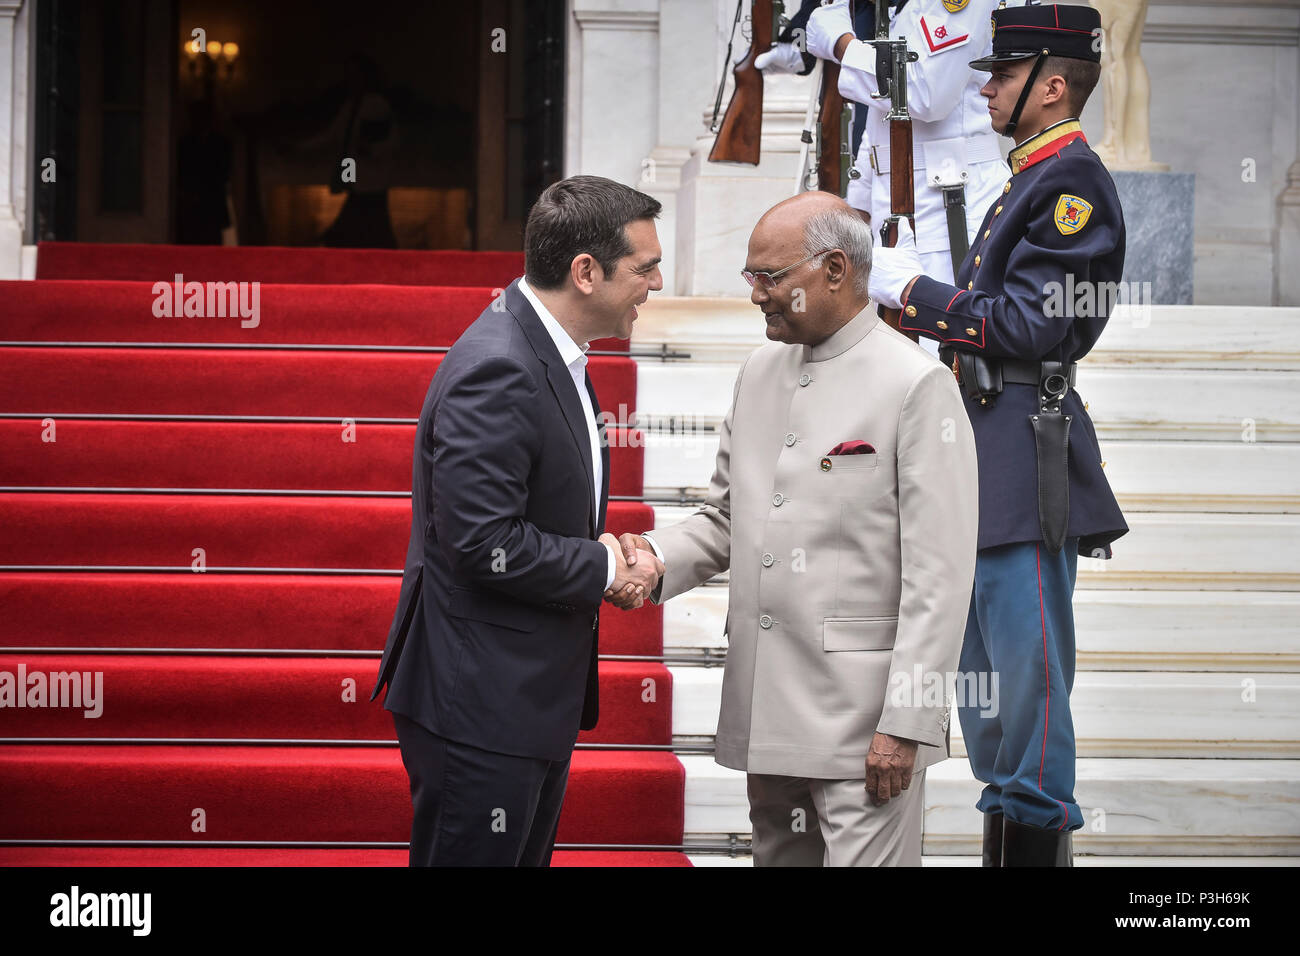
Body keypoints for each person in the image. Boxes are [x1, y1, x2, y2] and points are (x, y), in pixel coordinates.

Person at [611, 190, 979, 866]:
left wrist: (907, 723)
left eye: (770, 277)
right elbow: (728, 515)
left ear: (834, 269)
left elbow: (942, 577)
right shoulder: (761, 371)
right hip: (767, 707)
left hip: (864, 724)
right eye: (753, 277)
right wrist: (653, 558)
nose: (756, 294)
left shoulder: (917, 384)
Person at [867, 3, 1129, 866]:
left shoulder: (1070, 187)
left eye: (1005, 74)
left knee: (1027, 686)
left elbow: (1022, 329)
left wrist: (914, 296)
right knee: (984, 691)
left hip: (1023, 452)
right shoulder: (1027, 177)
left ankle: (1033, 834)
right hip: (983, 452)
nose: (984, 87)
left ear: (1053, 87)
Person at [371, 175, 666, 866]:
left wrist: (597, 552)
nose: (655, 286)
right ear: (585, 272)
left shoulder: (550, 348)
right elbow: (483, 542)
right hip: (479, 703)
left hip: (519, 699)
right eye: (644, 269)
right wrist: (603, 568)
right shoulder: (502, 366)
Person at [800, 0, 1011, 302]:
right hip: (900, 198)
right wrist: (860, 203)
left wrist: (841, 44)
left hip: (948, 205)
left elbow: (926, 93)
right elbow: (883, 112)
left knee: (935, 338)